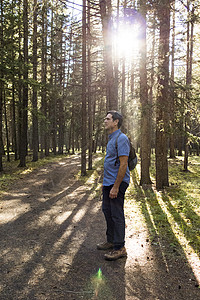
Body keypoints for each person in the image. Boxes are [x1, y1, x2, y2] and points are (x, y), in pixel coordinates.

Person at [97, 111, 130, 261]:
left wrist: (116, 187)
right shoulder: (111, 139)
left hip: (117, 182)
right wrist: (104, 183)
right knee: (107, 210)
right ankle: (111, 241)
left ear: (116, 122)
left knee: (116, 214)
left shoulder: (121, 139)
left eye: (108, 119)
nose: (105, 121)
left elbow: (123, 164)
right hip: (108, 182)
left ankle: (120, 247)